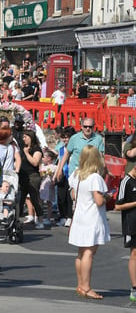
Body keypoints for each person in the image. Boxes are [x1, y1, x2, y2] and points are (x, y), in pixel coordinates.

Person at [68, 145, 110, 300]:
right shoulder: (95, 178)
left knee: (81, 253)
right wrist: (108, 197)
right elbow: (99, 201)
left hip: (79, 216)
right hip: (91, 218)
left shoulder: (76, 174)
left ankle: (80, 284)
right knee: (89, 253)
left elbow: (73, 195)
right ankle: (86, 287)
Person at [54, 118, 105, 226]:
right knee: (76, 197)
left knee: (89, 199)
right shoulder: (74, 138)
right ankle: (74, 218)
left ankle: (87, 220)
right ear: (81, 127)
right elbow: (66, 154)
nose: (87, 129)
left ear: (93, 127)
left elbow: (100, 156)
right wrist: (59, 170)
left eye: (90, 127)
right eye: (85, 126)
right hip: (77, 171)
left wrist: (102, 171)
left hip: (92, 171)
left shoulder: (98, 139)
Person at [116, 158, 136, 302]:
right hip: (132, 223)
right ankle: (134, 288)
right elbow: (118, 206)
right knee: (134, 254)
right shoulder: (126, 181)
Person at [19, 130, 45, 229]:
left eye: (25, 137)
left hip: (32, 176)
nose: (23, 139)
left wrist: (27, 153)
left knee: (35, 198)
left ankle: (40, 220)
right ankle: (17, 219)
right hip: (23, 176)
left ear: (31, 137)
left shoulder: (36, 149)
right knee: (21, 199)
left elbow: (35, 162)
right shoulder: (23, 148)